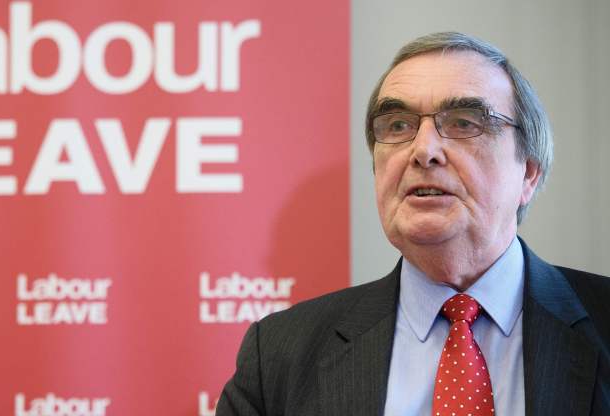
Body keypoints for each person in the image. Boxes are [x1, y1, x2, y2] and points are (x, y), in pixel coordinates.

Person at [216, 32, 610, 416]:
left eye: (463, 123)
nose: (423, 150)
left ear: (528, 173)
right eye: (398, 126)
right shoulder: (279, 356)